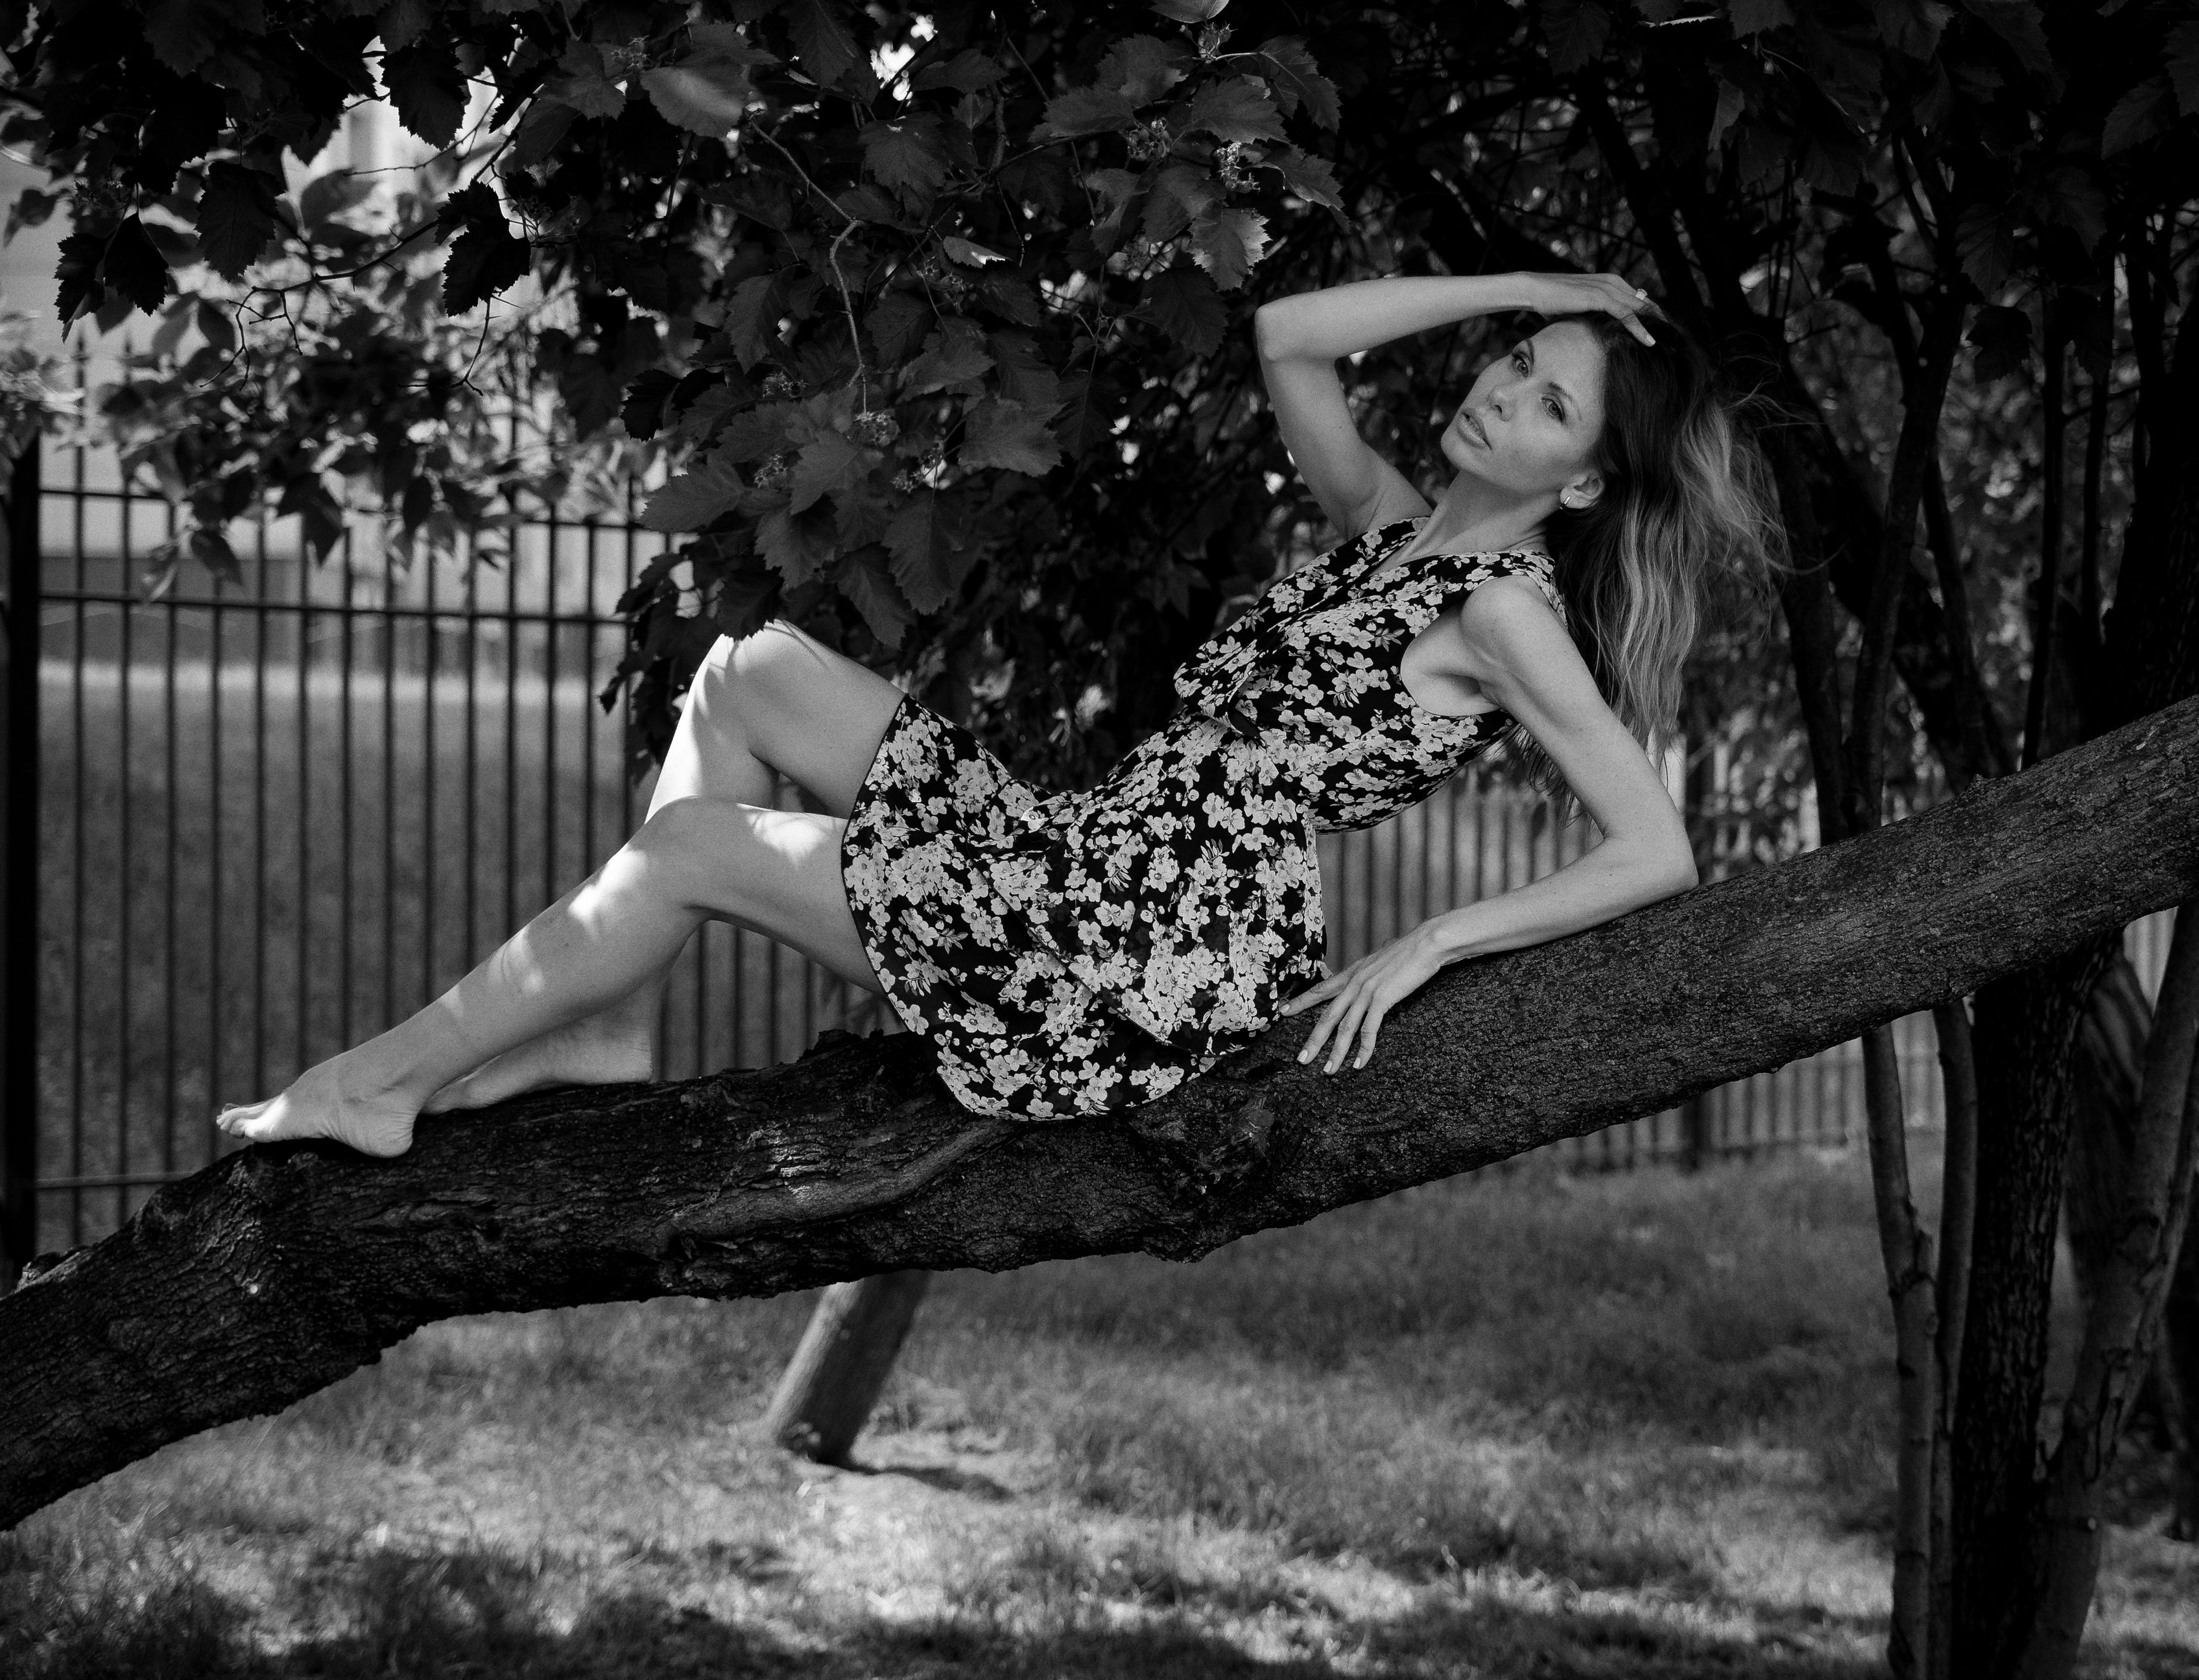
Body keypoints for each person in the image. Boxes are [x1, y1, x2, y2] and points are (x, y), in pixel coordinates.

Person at [217, 270, 1785, 1155]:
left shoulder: (1502, 610)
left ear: (1585, 482)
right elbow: (1285, 334)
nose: (1502, 391)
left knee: (692, 844)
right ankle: (607, 1020)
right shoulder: (1389, 525)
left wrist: (1433, 938)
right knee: (747, 667)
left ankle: (380, 1083)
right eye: (1515, 361)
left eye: (1551, 403)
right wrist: (1541, 286)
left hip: (1144, 949)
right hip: (1088, 855)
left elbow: (1654, 848)